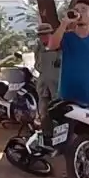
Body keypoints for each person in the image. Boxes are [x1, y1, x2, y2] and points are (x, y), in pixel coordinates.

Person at [47, 0, 89, 106]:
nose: (79, 13)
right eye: (76, 10)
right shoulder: (66, 37)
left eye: (84, 10)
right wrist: (64, 23)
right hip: (67, 97)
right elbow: (51, 45)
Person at [33, 21, 62, 149]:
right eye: (41, 35)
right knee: (43, 112)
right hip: (43, 84)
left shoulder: (59, 45)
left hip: (57, 85)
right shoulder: (38, 47)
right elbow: (37, 65)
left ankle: (59, 140)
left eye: (46, 34)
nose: (43, 37)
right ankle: (47, 138)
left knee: (58, 112)